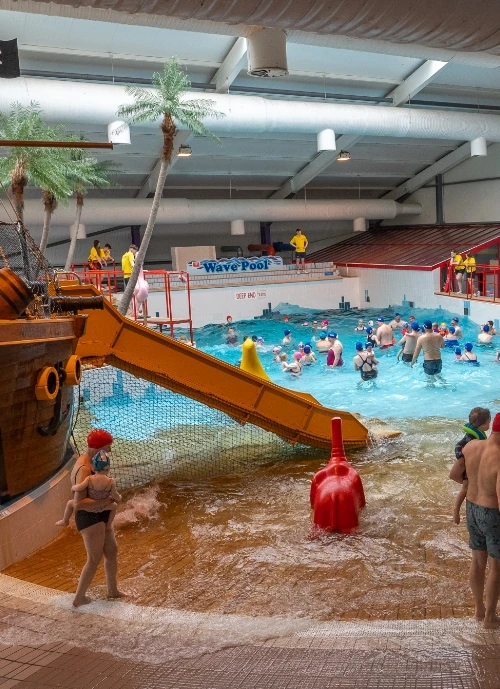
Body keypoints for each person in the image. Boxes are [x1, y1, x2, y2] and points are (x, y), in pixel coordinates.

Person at [449, 411, 500, 629]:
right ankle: (490, 618)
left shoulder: (471, 447)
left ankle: (479, 609)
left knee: (478, 562)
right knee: (496, 568)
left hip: (472, 509)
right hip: (492, 515)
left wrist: (473, 481)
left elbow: (454, 475)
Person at [69, 429, 123, 608]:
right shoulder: (84, 468)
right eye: (108, 448)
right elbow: (79, 503)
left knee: (111, 551)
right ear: (99, 447)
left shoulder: (92, 461)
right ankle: (79, 598)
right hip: (89, 517)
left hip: (100, 513)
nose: (110, 452)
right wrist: (108, 500)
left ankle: (113, 591)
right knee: (94, 558)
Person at [451, 408, 491, 525]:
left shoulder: (477, 434)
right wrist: (460, 458)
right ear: (482, 425)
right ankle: (456, 510)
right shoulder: (470, 437)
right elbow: (458, 446)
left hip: (472, 467)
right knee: (465, 488)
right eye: (488, 422)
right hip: (468, 468)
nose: (489, 425)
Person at [72, 451, 121, 532]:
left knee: (70, 503)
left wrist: (73, 487)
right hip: (103, 507)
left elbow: (80, 487)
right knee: (114, 506)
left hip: (90, 508)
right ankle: (108, 525)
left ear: (94, 469)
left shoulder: (89, 479)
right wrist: (119, 498)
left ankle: (65, 520)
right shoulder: (110, 481)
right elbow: (115, 495)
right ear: (108, 469)